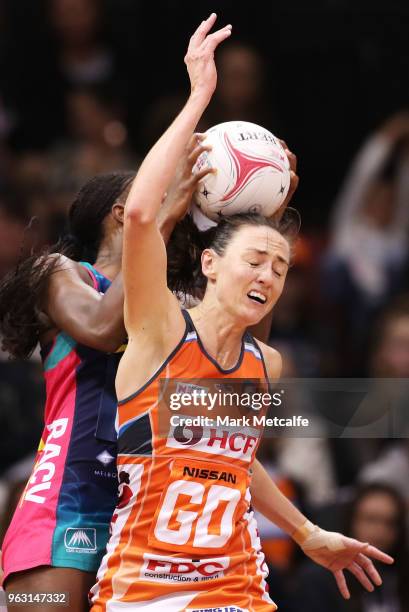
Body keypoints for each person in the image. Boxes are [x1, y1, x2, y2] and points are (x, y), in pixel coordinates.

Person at [90, 15, 393, 611]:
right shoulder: (158, 333)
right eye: (256, 260)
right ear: (207, 265)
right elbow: (143, 217)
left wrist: (307, 532)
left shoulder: (265, 362)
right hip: (142, 586)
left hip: (236, 584)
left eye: (280, 270)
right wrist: (200, 96)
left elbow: (234, 461)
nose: (268, 276)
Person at [0, 155, 211, 611]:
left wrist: (265, 225)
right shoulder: (61, 273)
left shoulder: (172, 312)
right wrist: (163, 218)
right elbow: (100, 327)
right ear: (123, 212)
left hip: (145, 517)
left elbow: (247, 363)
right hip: (66, 503)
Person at [293, 483, 409, 612]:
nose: (380, 530)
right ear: (351, 521)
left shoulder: (402, 574)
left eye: (390, 523)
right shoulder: (319, 578)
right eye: (371, 519)